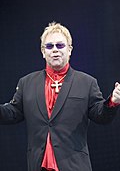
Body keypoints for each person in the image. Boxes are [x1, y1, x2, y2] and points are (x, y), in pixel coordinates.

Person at [0, 22, 120, 171]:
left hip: (73, 165)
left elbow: (101, 116)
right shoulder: (27, 83)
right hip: (38, 165)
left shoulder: (87, 82)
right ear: (43, 52)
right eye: (49, 46)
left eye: (60, 45)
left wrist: (113, 101)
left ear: (69, 50)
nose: (55, 50)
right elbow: (12, 113)